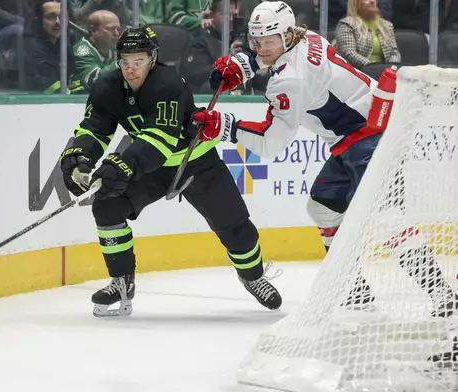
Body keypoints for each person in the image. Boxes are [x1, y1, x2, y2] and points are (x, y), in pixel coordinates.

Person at [190, 0, 458, 317]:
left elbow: (272, 142)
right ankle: (354, 287)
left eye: (268, 41)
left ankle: (443, 295)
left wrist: (225, 127)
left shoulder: (288, 81)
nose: (262, 47)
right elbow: (275, 56)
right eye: (257, 41)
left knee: (388, 221)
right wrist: (245, 65)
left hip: (372, 136)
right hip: (359, 135)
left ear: (287, 35)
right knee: (323, 206)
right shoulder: (309, 38)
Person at [59, 26, 283, 317]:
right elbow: (94, 128)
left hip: (196, 162)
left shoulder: (167, 83)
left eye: (138, 61)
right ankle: (122, 281)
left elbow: (160, 139)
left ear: (152, 59)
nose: (130, 69)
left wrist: (123, 165)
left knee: (237, 229)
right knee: (107, 205)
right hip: (151, 167)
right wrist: (79, 156)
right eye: (125, 61)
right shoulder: (107, 86)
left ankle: (253, 276)